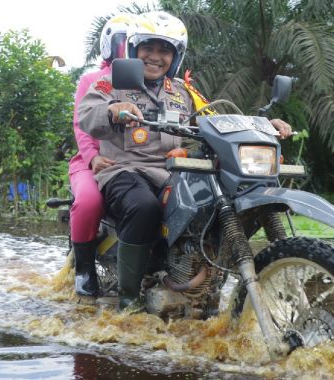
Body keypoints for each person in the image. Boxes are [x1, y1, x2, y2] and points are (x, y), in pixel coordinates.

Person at [79, 11, 292, 310]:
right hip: (123, 170)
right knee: (144, 206)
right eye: (148, 48)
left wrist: (264, 124)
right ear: (133, 50)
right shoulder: (112, 82)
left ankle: (195, 273)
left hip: (171, 171)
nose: (155, 56)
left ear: (175, 56)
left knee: (208, 204)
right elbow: (87, 115)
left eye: (164, 50)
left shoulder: (182, 90)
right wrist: (113, 109)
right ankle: (129, 301)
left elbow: (220, 119)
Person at [68, 13, 134, 297]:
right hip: (93, 161)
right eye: (124, 42)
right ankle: (84, 271)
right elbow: (81, 125)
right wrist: (92, 157)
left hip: (137, 160)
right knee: (88, 201)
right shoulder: (95, 80)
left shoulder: (154, 83)